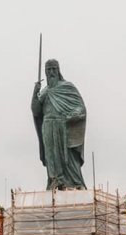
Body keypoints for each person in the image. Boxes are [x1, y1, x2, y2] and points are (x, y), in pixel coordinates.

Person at [31, 59, 88, 191]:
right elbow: (36, 110)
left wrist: (71, 116)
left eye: (54, 69)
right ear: (45, 72)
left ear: (58, 70)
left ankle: (75, 181)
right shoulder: (44, 91)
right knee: (51, 155)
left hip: (63, 125)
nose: (51, 72)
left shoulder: (67, 87)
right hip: (47, 125)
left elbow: (80, 108)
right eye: (48, 69)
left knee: (67, 155)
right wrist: (35, 93)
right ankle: (55, 180)